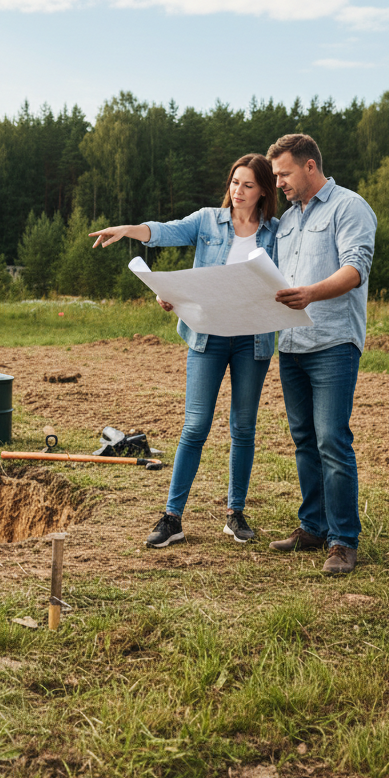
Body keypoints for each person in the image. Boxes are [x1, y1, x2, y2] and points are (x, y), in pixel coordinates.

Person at [89, 154, 279, 549]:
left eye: (247, 185)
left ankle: (234, 513)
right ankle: (172, 517)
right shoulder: (209, 220)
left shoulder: (276, 232)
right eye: (234, 182)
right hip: (207, 337)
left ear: (263, 189)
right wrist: (128, 231)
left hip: (253, 339)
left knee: (243, 428)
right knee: (194, 427)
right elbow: (164, 231)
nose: (238, 191)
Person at [266, 133, 377, 576]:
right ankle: (312, 526)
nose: (279, 184)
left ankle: (343, 540)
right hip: (290, 344)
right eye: (275, 176)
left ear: (310, 166)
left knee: (332, 439)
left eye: (284, 173)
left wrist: (311, 293)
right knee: (304, 441)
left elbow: (355, 269)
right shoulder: (289, 220)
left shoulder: (349, 207)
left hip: (333, 343)